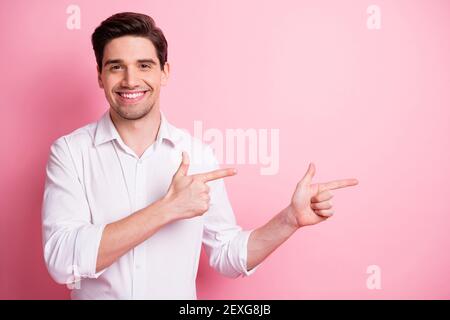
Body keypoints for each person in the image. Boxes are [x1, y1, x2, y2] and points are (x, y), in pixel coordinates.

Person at [42, 12, 359, 299]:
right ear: (100, 76)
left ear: (164, 72)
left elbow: (226, 254)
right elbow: (61, 260)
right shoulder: (70, 153)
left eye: (144, 65)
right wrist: (167, 209)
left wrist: (289, 220)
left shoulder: (197, 154)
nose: (130, 80)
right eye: (116, 67)